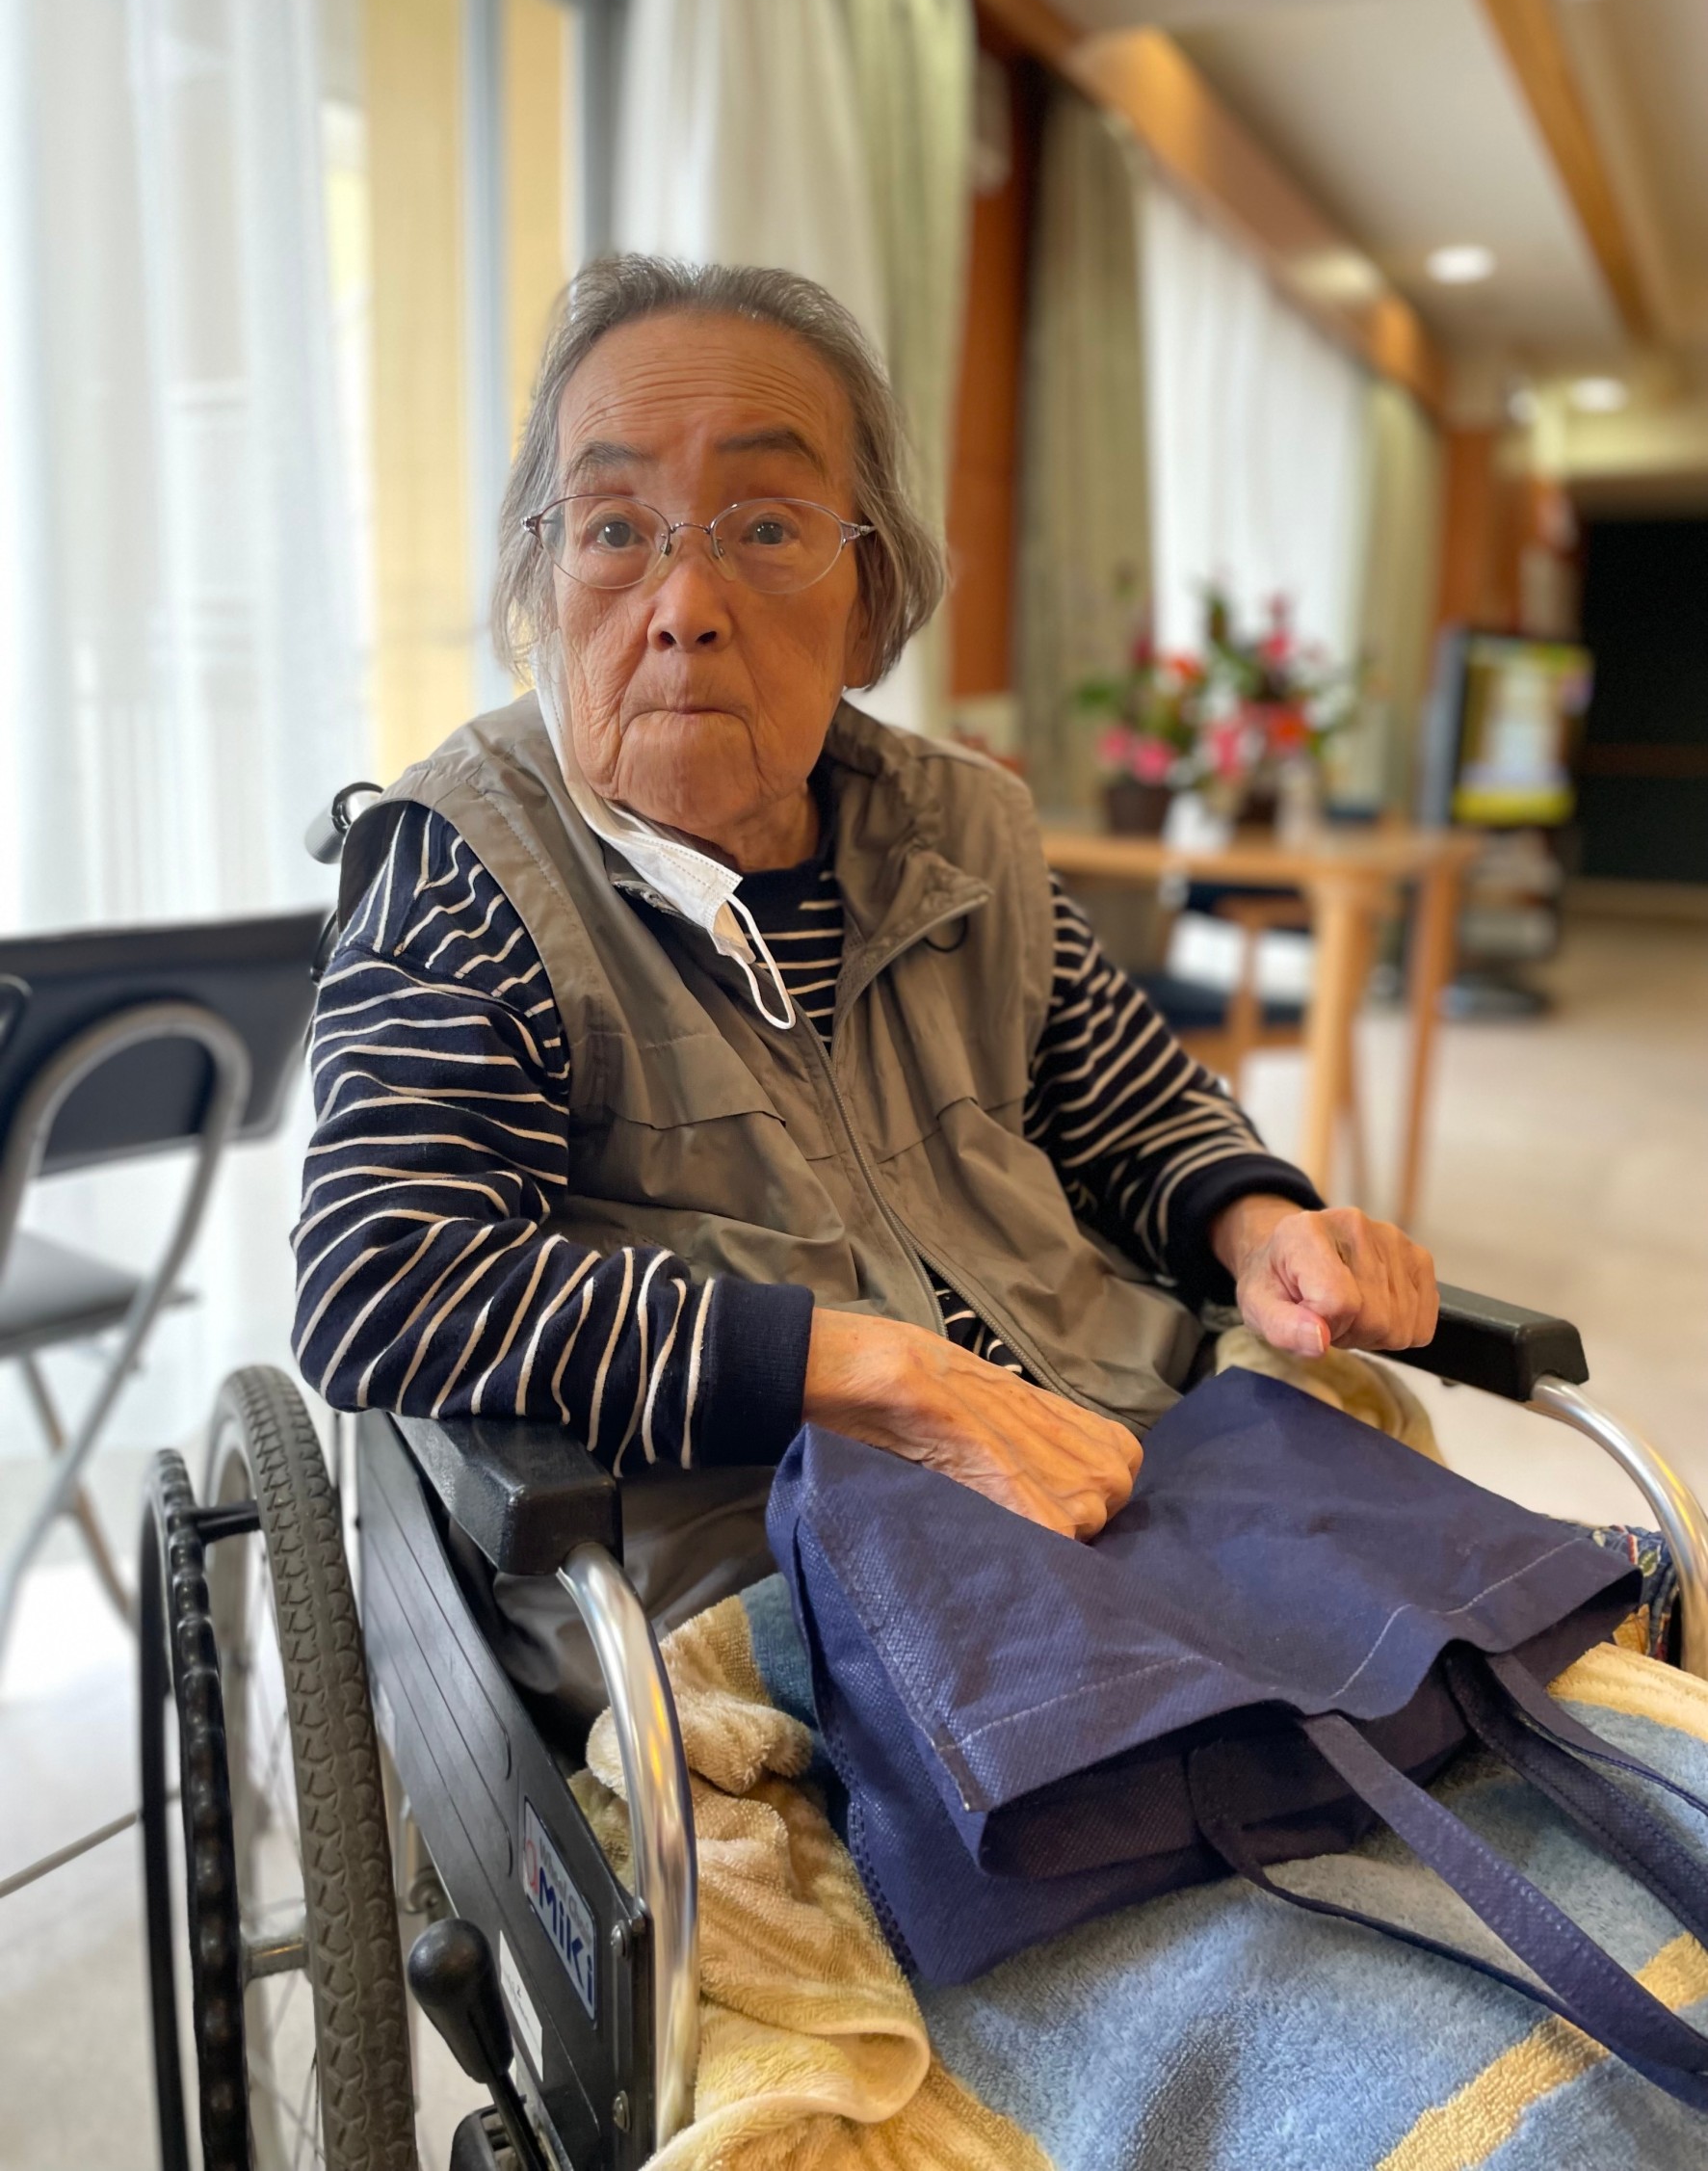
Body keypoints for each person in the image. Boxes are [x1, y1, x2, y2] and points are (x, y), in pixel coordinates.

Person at [293, 256, 1437, 1699]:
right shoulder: (467, 865)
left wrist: (1266, 1230)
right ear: (542, 585)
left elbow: (1139, 1116)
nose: (682, 602)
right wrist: (877, 1371)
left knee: (1420, 1579)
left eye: (766, 526)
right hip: (776, 1572)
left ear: (870, 592)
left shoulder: (964, 830)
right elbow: (384, 1275)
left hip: (1113, 1463)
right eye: (613, 528)